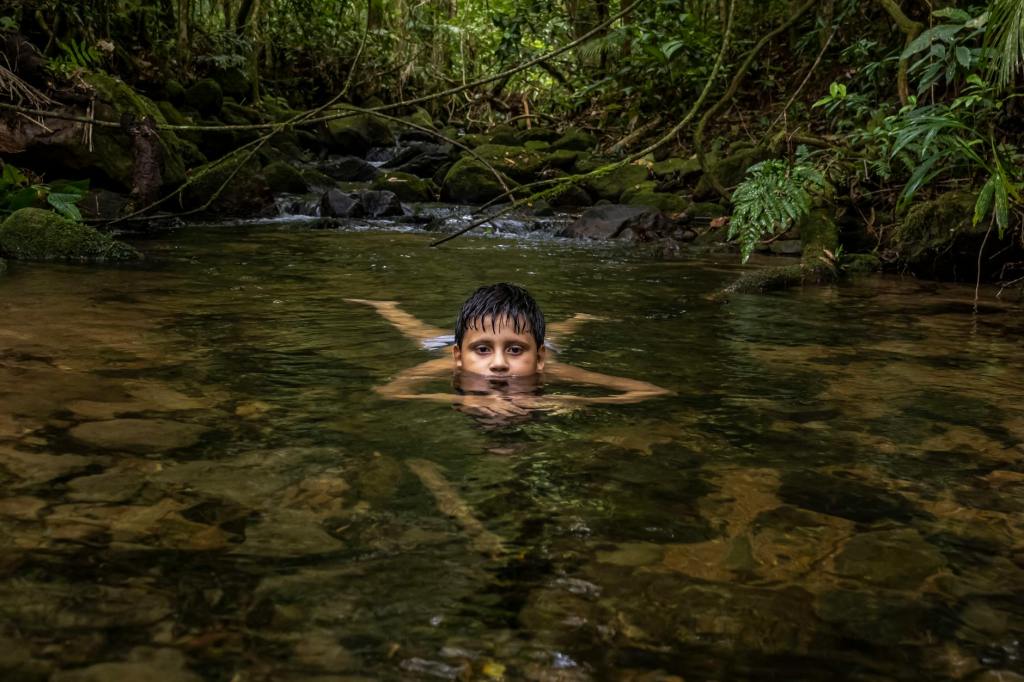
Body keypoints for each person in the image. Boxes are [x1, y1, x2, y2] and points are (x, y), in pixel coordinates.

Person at [347, 283, 671, 420]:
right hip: (450, 346)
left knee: (557, 334)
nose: (499, 365)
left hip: (542, 346)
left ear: (539, 360)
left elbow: (650, 390)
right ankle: (387, 307)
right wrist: (463, 400)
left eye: (514, 350)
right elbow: (390, 392)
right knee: (419, 334)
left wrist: (572, 400)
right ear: (458, 357)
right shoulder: (446, 365)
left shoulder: (551, 367)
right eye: (484, 349)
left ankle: (579, 319)